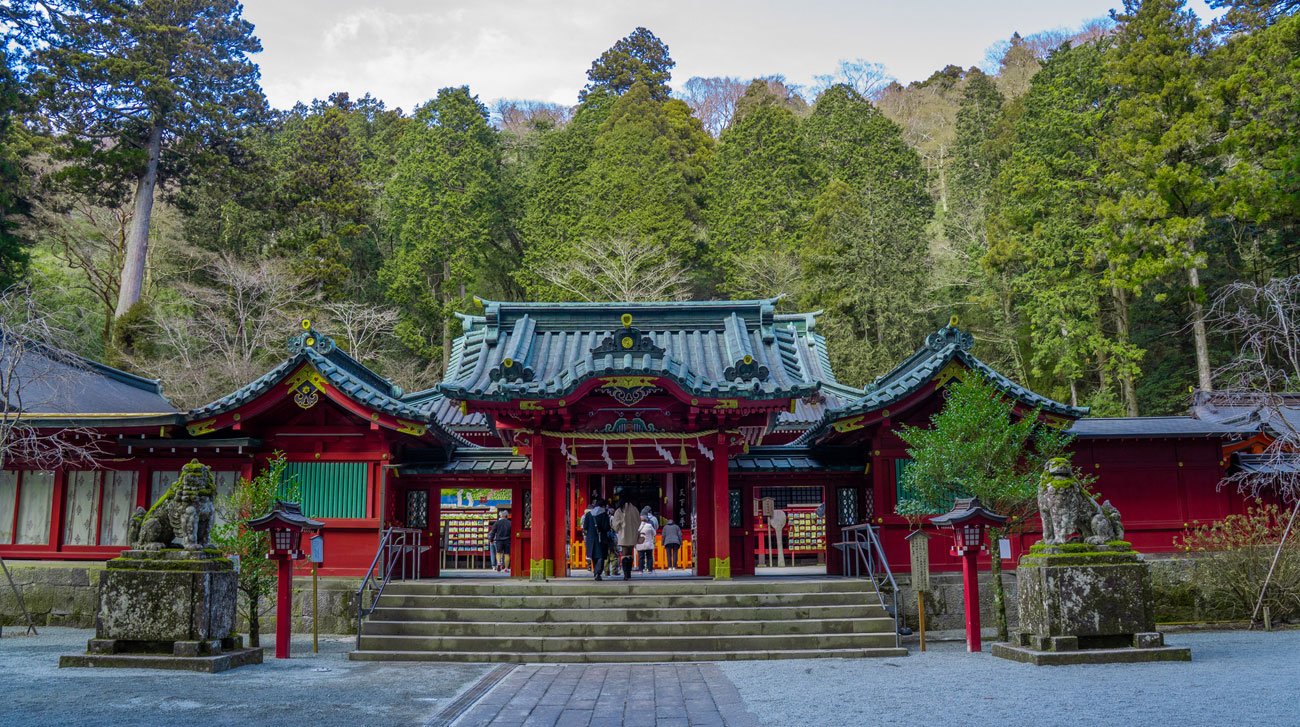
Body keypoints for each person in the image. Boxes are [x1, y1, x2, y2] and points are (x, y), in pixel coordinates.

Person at [582, 498, 612, 581]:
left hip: (591, 538)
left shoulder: (588, 514)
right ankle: (598, 572)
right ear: (603, 506)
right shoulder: (604, 514)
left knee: (594, 556)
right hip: (601, 538)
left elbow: (585, 527)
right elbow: (606, 527)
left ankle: (596, 571)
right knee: (601, 556)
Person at [613, 499, 640, 580]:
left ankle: (625, 574)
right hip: (632, 534)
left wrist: (619, 527)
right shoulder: (635, 509)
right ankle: (629, 572)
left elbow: (615, 525)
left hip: (623, 534)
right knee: (630, 553)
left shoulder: (619, 510)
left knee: (624, 554)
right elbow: (638, 522)